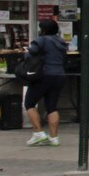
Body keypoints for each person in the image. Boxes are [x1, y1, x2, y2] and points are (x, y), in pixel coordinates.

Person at [19, 18, 65, 147]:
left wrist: (26, 53)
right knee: (52, 107)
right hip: (59, 75)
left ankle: (38, 133)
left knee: (29, 103)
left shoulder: (42, 40)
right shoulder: (61, 41)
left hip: (44, 75)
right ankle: (54, 137)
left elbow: (30, 55)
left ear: (43, 29)